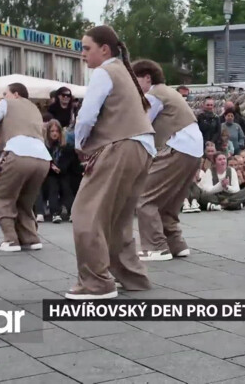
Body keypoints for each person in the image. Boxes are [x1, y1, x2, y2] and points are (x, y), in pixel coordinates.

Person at [68, 25, 156, 300]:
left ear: (104, 49)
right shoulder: (124, 72)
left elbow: (86, 116)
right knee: (118, 219)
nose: (82, 54)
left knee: (85, 213)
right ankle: (133, 277)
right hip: (142, 146)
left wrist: (79, 145)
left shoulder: (104, 72)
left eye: (86, 48)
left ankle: (96, 283)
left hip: (120, 145)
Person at [131, 59, 203, 261]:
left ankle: (156, 247)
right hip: (193, 150)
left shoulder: (154, 95)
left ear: (147, 78)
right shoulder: (169, 92)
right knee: (169, 202)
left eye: (135, 80)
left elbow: (141, 125)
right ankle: (175, 243)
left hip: (177, 146)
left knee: (145, 197)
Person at [0, 83, 51, 252]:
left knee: (2, 195)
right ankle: (31, 239)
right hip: (42, 157)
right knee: (26, 200)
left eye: (6, 93)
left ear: (16, 94)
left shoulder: (7, 104)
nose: (3, 97)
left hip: (18, 154)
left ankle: (11, 240)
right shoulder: (35, 109)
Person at [42, 119, 76, 223]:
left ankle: (72, 212)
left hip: (63, 173)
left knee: (66, 186)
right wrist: (52, 167)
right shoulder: (45, 147)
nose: (54, 134)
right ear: (48, 133)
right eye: (52, 131)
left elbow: (68, 162)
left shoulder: (66, 147)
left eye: (57, 131)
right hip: (50, 174)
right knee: (53, 186)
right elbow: (45, 161)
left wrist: (60, 168)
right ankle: (55, 213)